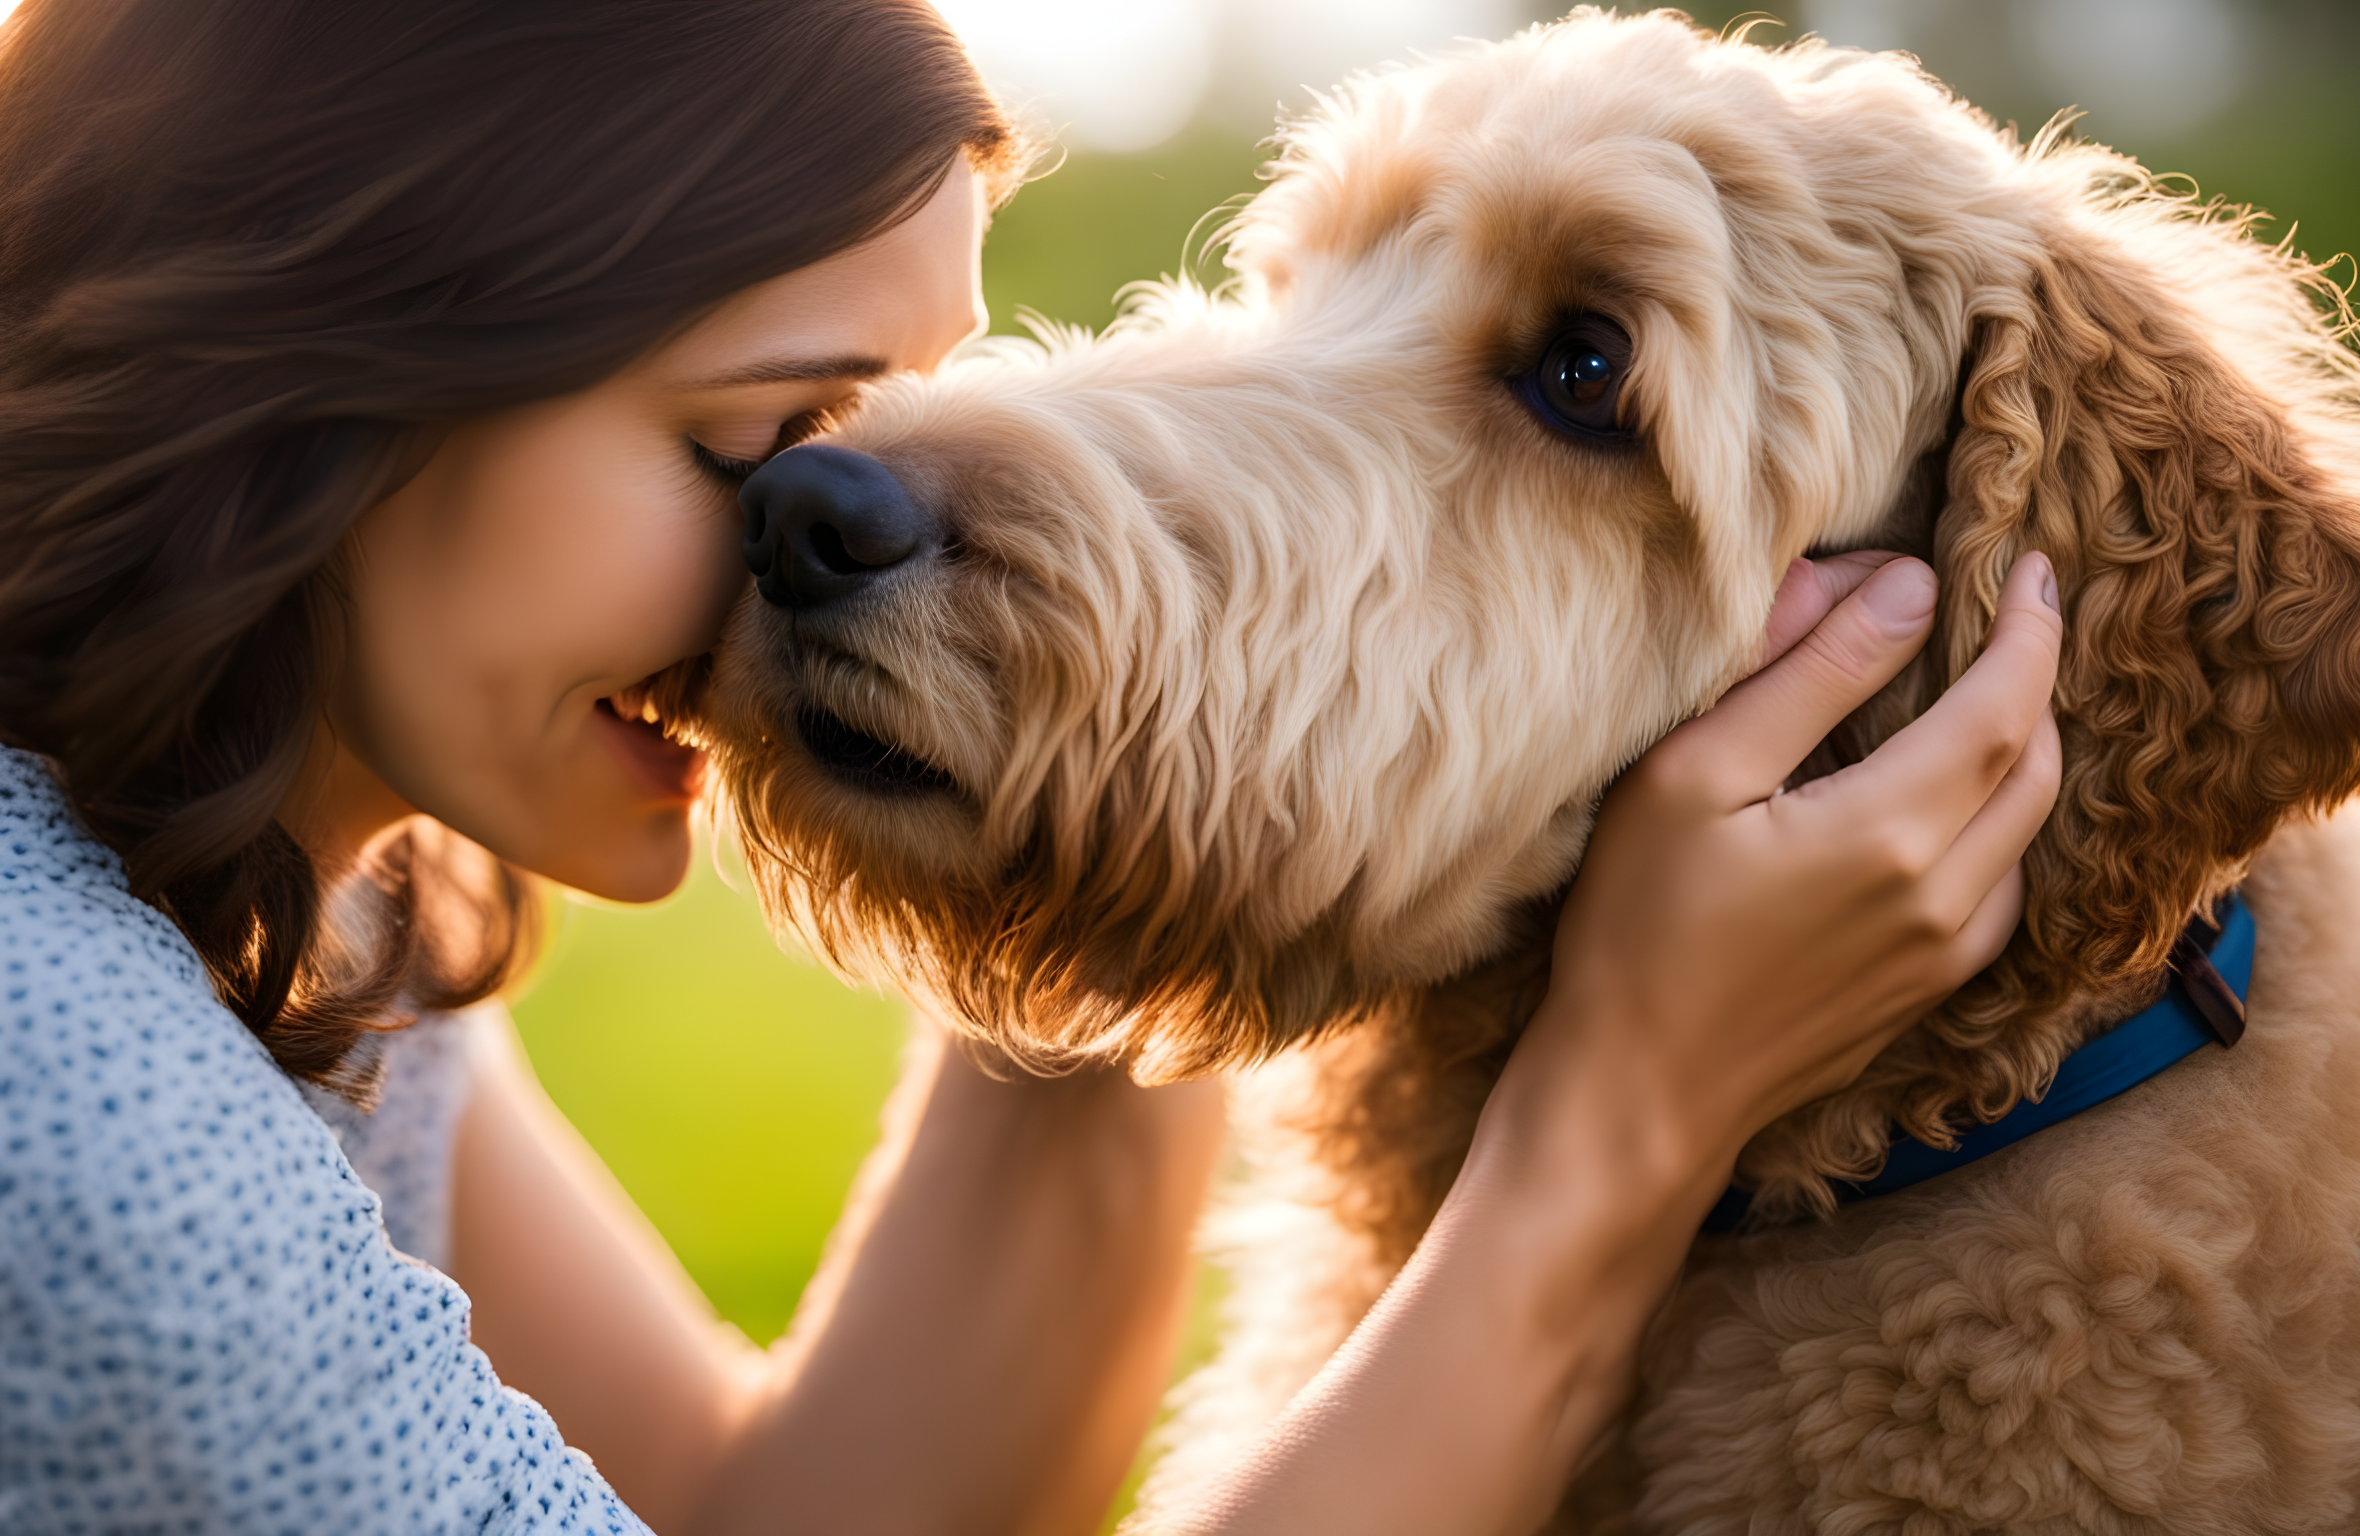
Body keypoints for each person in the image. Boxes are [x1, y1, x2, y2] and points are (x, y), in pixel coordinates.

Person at [0, 3, 2064, 1532]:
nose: (823, 537)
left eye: (878, 416)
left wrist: (1167, 747)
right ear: (339, 353)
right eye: (755, 446)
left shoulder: (300, 901)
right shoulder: (70, 1097)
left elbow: (794, 1514)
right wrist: (1618, 1125)